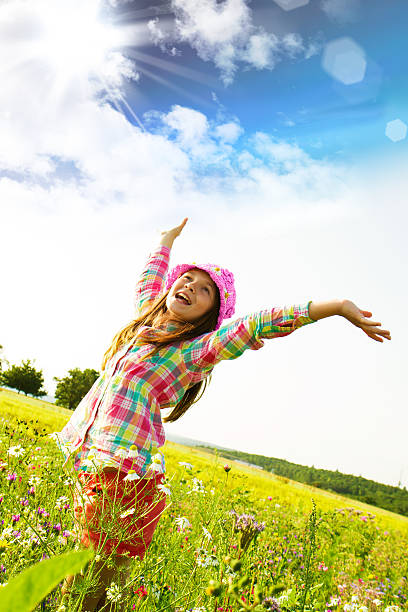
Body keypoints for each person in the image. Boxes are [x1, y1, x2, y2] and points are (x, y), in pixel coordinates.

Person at [56, 217, 391, 610]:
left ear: (209, 316)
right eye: (187, 280)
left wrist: (333, 307)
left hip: (126, 475)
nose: (189, 288)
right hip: (94, 462)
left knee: (89, 579)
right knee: (96, 579)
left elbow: (253, 325)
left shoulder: (192, 352)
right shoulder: (143, 323)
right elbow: (150, 277)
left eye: (204, 291)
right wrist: (165, 239)